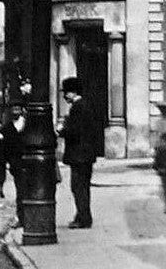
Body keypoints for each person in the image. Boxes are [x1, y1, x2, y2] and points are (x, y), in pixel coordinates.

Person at [58, 76, 97, 229]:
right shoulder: (84, 105)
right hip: (85, 154)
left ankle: (83, 218)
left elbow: (75, 131)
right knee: (82, 186)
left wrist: (61, 130)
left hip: (79, 155)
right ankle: (82, 215)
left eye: (66, 92)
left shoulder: (78, 107)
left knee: (78, 187)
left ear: (73, 92)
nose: (64, 96)